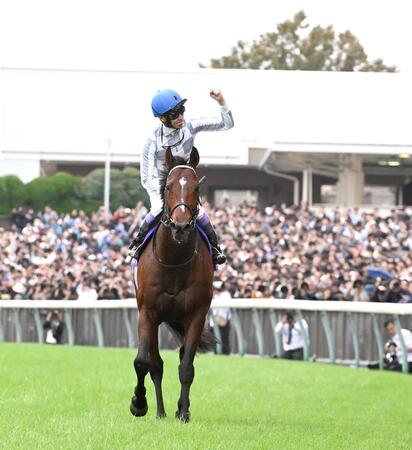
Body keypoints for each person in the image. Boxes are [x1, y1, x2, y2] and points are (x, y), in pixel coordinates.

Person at [128, 88, 234, 264]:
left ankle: (215, 248)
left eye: (182, 111)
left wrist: (221, 101)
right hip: (162, 184)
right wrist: (166, 191)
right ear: (163, 119)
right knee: (156, 210)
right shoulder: (152, 141)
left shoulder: (191, 126)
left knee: (200, 213)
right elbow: (146, 179)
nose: (181, 117)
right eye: (175, 114)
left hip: (184, 181)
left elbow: (227, 124)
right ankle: (137, 242)